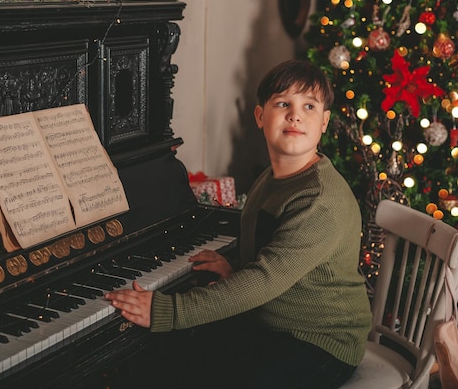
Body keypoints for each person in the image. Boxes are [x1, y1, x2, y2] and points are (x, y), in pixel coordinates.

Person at [104, 60, 372, 389]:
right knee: (168, 362)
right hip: (273, 321)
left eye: (309, 106)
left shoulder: (318, 200)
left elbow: (265, 279)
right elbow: (271, 252)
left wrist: (169, 311)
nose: (295, 115)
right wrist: (236, 266)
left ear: (324, 123)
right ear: (261, 116)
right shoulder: (272, 177)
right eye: (283, 103)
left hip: (319, 341)